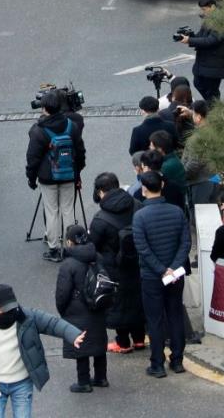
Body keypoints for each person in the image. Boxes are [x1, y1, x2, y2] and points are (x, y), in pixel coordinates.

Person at [0, 283, 85, 418]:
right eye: (5, 309)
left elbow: (52, 323)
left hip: (22, 383)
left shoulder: (26, 316)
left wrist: (73, 335)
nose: (11, 311)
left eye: (12, 306)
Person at [132, 170, 191, 377]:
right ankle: (177, 361)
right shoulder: (177, 212)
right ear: (162, 186)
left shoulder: (139, 216)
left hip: (152, 276)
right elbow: (185, 243)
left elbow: (142, 247)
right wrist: (173, 268)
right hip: (176, 275)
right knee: (175, 316)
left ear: (144, 189)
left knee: (155, 319)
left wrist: (160, 269)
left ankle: (157, 364)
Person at [26, 89, 86, 262]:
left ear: (44, 108)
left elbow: (33, 158)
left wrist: (31, 178)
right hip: (69, 174)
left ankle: (54, 248)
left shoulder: (39, 130)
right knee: (68, 210)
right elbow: (80, 151)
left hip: (47, 177)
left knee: (51, 211)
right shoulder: (71, 126)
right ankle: (70, 246)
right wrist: (77, 171)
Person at [89, 172, 145, 354]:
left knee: (119, 303)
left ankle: (123, 341)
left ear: (101, 192)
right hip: (138, 263)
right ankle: (139, 339)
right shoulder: (137, 205)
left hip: (114, 268)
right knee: (137, 299)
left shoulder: (100, 218)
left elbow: (93, 246)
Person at [55, 225, 108, 393]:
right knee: (98, 340)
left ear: (69, 242)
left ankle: (83, 381)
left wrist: (63, 311)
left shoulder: (68, 264)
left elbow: (62, 294)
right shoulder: (97, 257)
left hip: (76, 309)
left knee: (80, 345)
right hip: (98, 305)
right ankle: (101, 377)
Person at [179, 0, 224, 102]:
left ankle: (214, 111)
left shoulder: (220, 22)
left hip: (214, 65)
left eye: (204, 9)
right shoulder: (209, 19)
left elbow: (211, 40)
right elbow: (201, 36)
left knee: (211, 91)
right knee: (198, 83)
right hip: (204, 64)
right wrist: (190, 36)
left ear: (212, 7)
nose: (203, 12)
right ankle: (213, 108)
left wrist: (190, 40)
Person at [182, 100, 219, 207]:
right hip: (214, 178)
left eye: (194, 114)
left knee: (200, 215)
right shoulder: (216, 130)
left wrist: (182, 175)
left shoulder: (197, 139)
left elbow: (193, 164)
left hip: (200, 182)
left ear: (198, 117)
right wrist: (190, 113)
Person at [148, 130, 187, 197]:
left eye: (151, 145)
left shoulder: (166, 166)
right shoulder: (172, 159)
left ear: (159, 149)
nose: (149, 147)